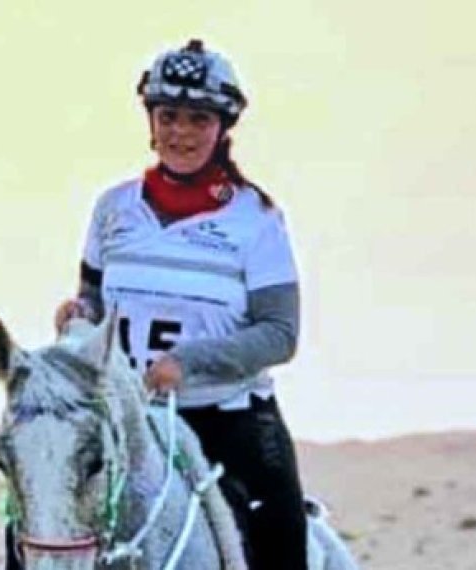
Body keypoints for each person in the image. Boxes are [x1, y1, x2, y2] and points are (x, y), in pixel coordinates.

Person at [55, 39, 309, 569]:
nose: (181, 132)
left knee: (281, 538)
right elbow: (95, 299)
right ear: (150, 121)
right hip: (127, 415)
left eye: (198, 119)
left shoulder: (256, 220)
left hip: (228, 417)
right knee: (38, 511)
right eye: (168, 116)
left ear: (222, 128)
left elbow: (279, 333)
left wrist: (188, 364)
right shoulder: (114, 209)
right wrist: (79, 317)